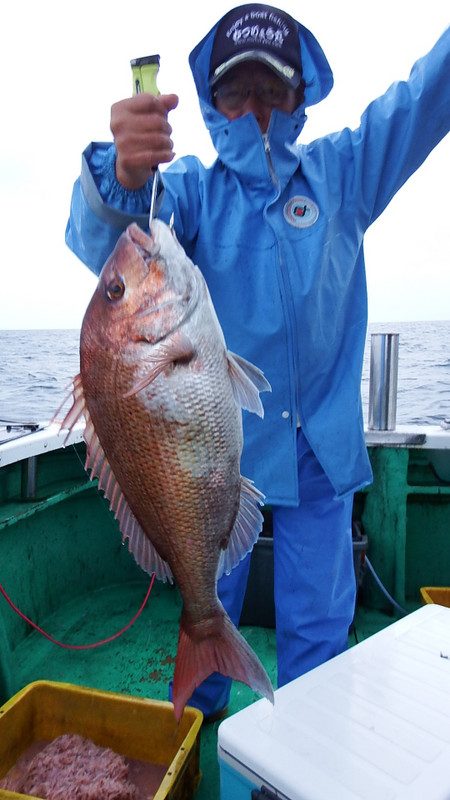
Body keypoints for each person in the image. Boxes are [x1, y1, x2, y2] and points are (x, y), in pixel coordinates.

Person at [66, 4, 450, 719]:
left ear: (301, 94)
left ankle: (302, 742)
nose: (256, 109)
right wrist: (120, 170)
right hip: (217, 456)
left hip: (321, 450)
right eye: (237, 91)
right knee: (208, 599)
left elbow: (424, 99)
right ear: (212, 104)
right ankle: (201, 722)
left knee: (319, 630)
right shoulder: (190, 193)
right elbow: (105, 247)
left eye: (272, 89)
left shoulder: (344, 174)